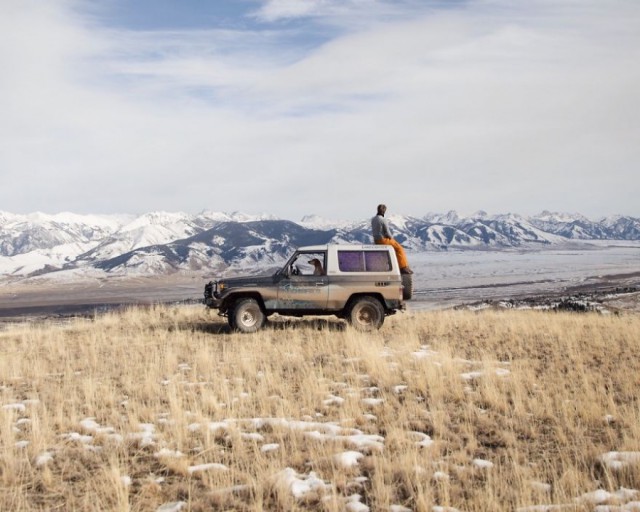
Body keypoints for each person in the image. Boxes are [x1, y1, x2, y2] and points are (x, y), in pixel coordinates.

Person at [371, 204, 413, 274]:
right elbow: (387, 232)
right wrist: (391, 238)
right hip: (383, 240)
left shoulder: (373, 219)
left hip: (376, 240)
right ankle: (403, 267)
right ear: (384, 211)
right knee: (399, 248)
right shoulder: (383, 219)